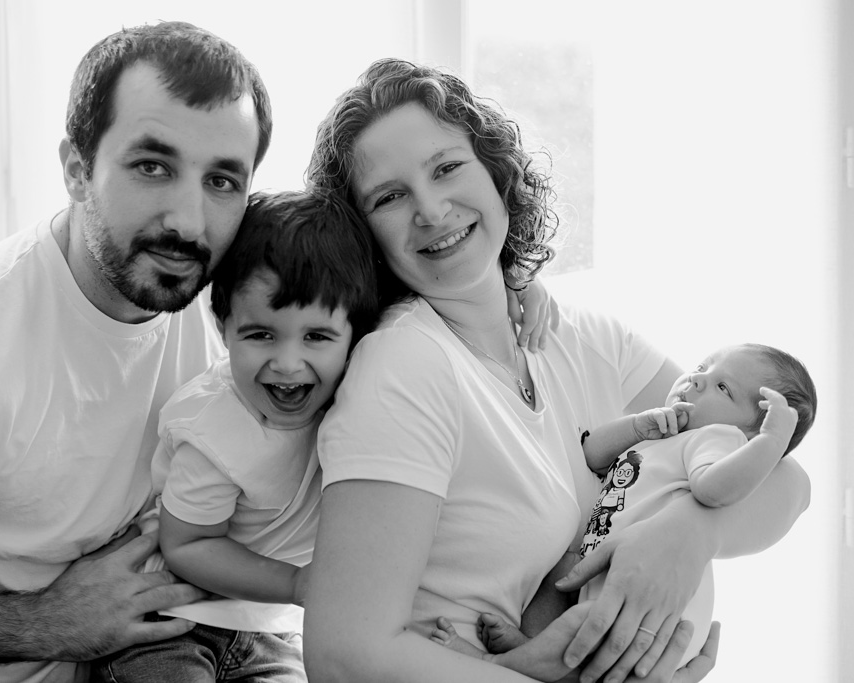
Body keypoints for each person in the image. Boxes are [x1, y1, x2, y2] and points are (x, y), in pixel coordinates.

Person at [301, 58, 811, 683]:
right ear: (364, 236)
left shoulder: (590, 339)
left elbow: (789, 484)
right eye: (389, 196)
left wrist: (691, 532)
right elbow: (345, 656)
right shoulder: (403, 367)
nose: (430, 209)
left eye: (447, 167)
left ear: (496, 173)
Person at [0, 21, 271, 682]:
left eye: (222, 181)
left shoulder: (214, 302)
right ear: (76, 169)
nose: (189, 221)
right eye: (152, 166)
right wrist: (45, 621)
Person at [92, 189, 379, 682]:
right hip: (171, 619)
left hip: (267, 631)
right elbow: (188, 546)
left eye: (316, 337)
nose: (287, 364)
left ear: (355, 336)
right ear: (223, 327)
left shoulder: (357, 396)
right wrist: (297, 583)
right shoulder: (214, 429)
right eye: (261, 334)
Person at [432, 343, 817, 672]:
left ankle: (497, 664)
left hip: (651, 606)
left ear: (749, 432)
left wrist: (770, 443)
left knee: (583, 623)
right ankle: (532, 647)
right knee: (560, 577)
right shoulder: (663, 436)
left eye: (722, 387)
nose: (697, 379)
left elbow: (713, 490)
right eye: (702, 367)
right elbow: (593, 456)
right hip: (602, 571)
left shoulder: (716, 439)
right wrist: (635, 428)